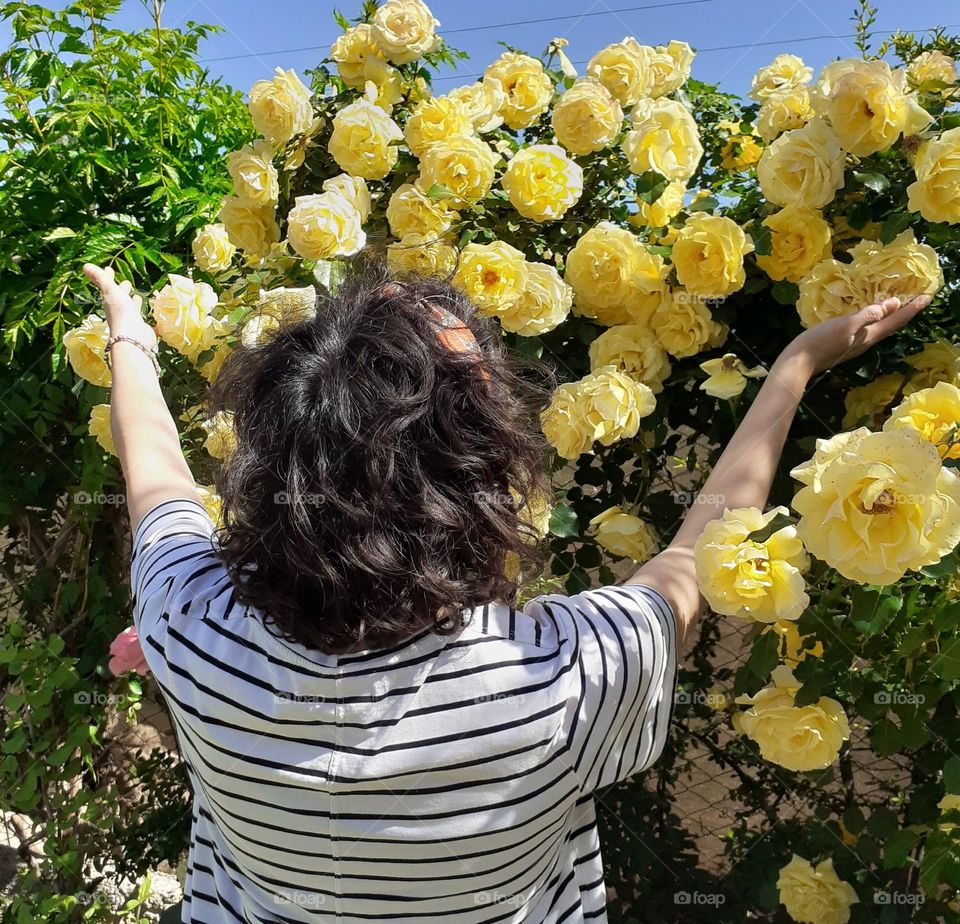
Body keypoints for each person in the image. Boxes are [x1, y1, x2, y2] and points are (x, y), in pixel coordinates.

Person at [83, 258, 929, 923]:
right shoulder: (560, 678)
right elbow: (702, 547)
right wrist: (797, 362)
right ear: (485, 475)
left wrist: (130, 337)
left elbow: (152, 473)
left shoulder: (193, 627)